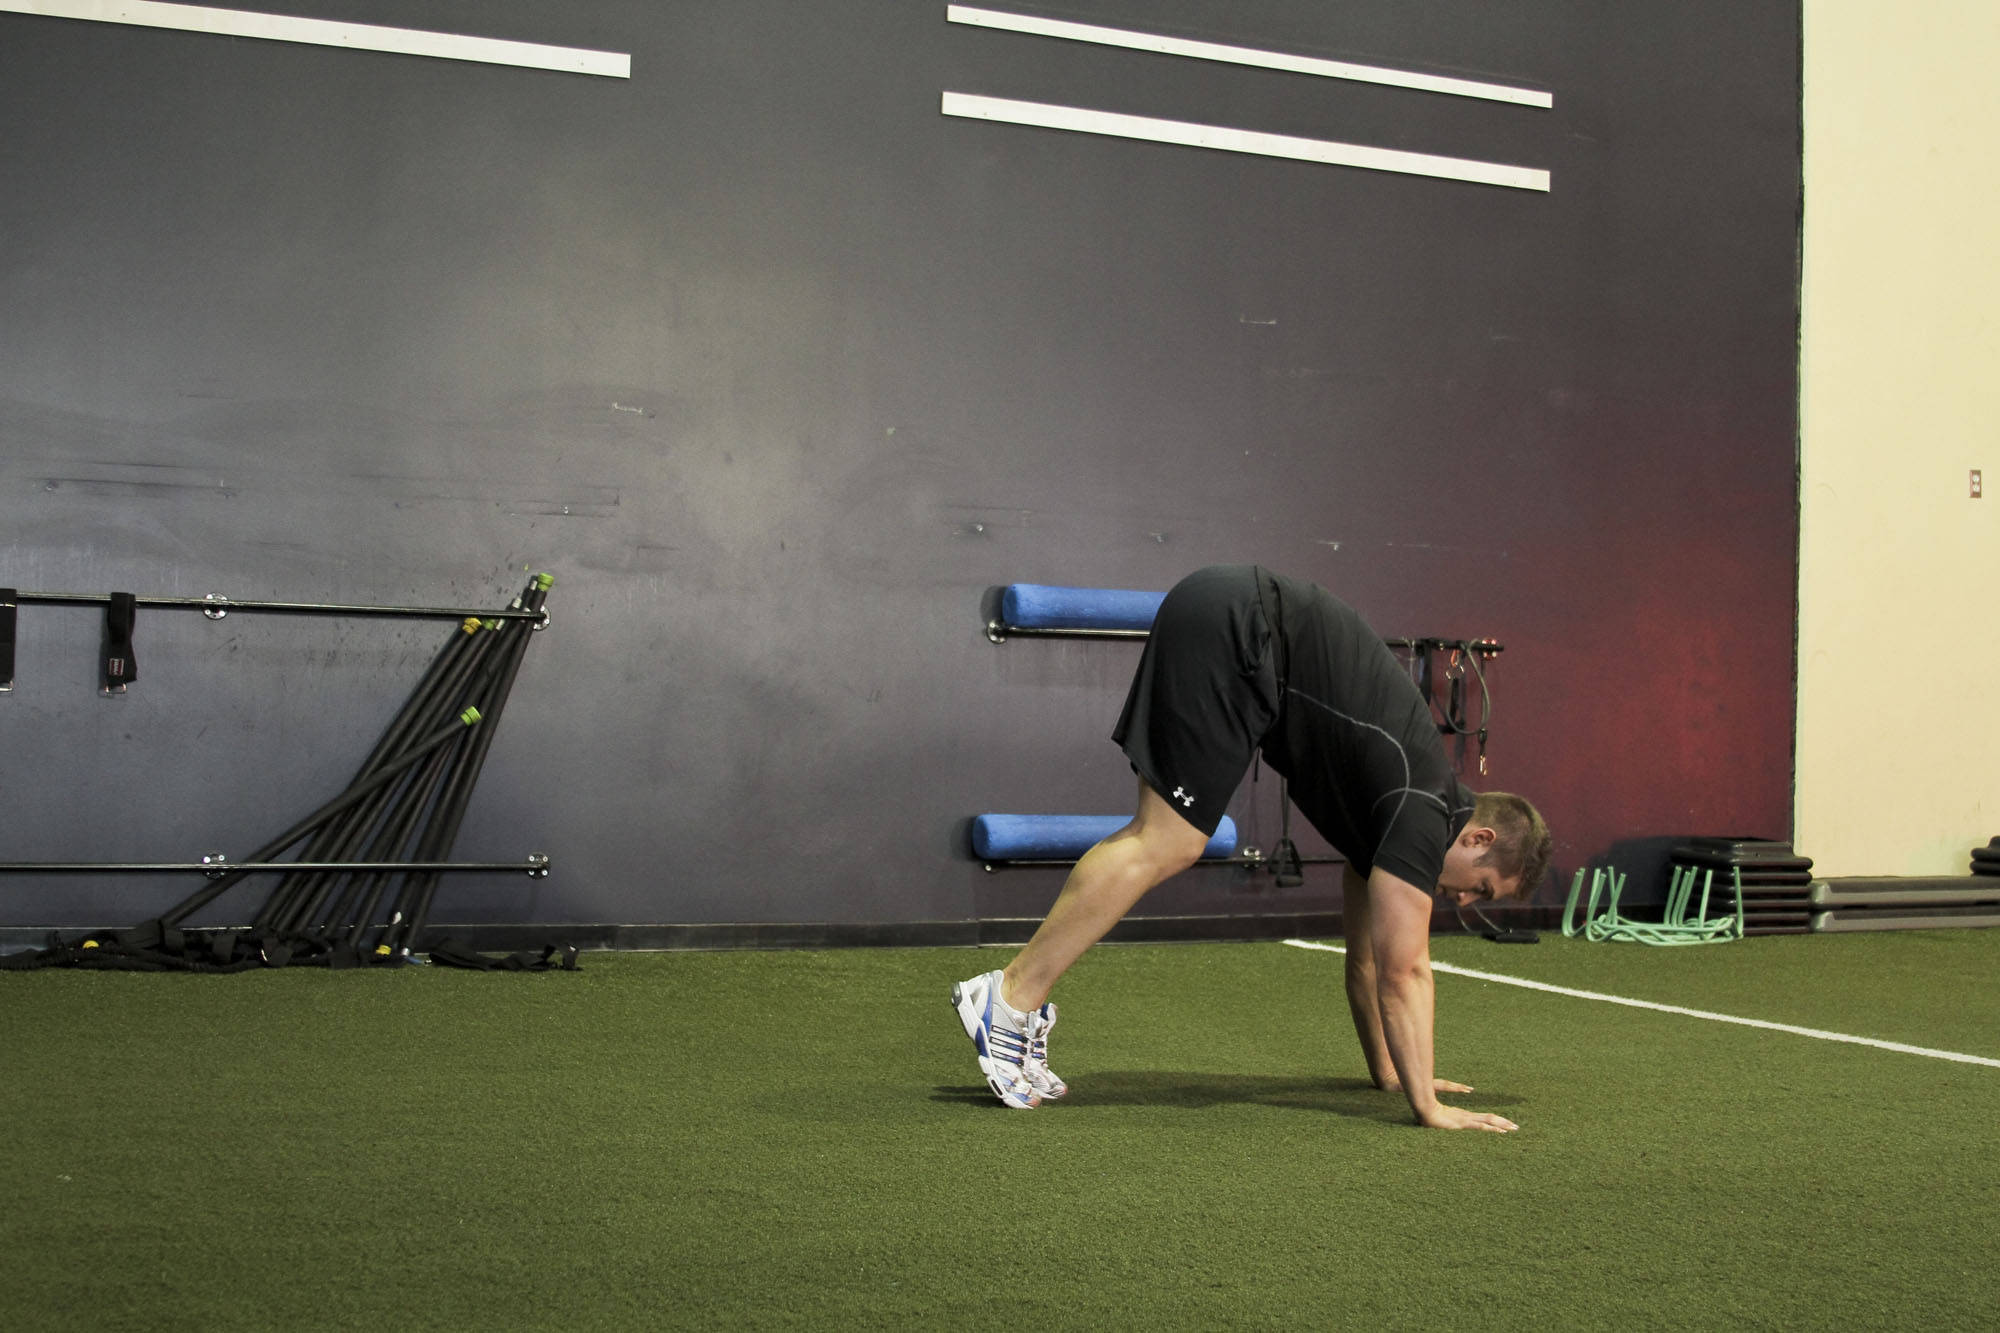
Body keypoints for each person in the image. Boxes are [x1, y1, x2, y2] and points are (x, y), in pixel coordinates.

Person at [951, 565, 1552, 1131]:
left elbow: (1369, 963)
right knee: (1168, 838)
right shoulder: (1424, 811)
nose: (1464, 901)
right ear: (1479, 838)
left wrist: (1393, 1074)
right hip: (1242, 627)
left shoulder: (1396, 823)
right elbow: (1407, 971)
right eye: (1481, 887)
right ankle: (1010, 997)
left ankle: (1014, 1001)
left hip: (1236, 625)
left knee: (1169, 837)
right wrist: (1430, 1108)